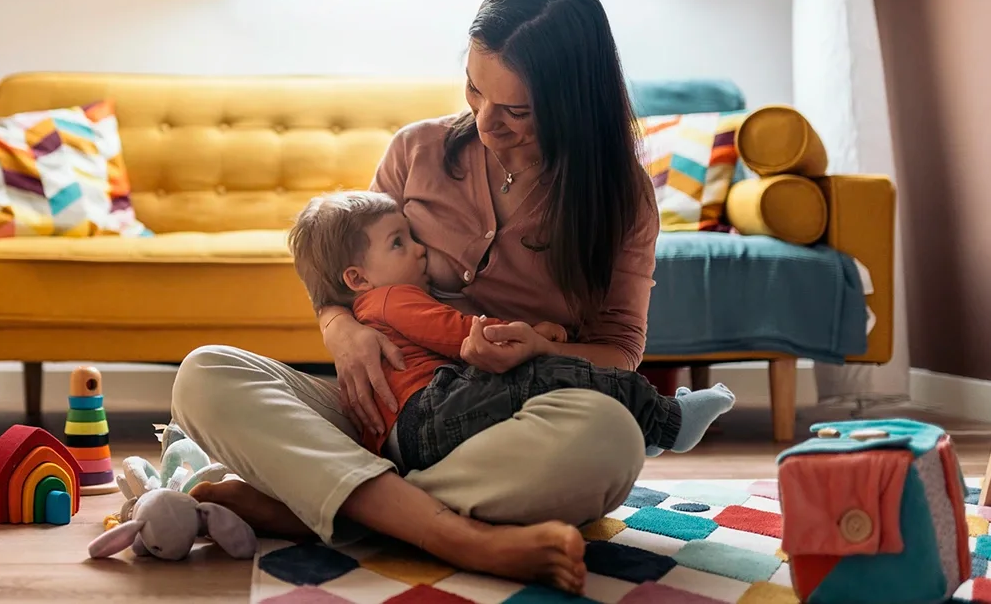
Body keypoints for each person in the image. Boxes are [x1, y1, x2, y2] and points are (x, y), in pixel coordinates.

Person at [172, 0, 660, 593]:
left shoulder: (621, 198)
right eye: (475, 90)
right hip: (378, 412)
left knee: (611, 440)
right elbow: (342, 276)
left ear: (574, 103)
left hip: (507, 427)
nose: (486, 122)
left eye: (517, 111)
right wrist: (341, 330)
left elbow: (620, 351)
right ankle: (456, 534)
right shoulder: (416, 150)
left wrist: (542, 350)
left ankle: (336, 503)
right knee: (206, 375)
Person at [286, 189, 736, 472]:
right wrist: (530, 333)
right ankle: (669, 420)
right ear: (357, 278)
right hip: (428, 414)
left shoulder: (371, 308)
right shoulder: (391, 299)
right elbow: (459, 334)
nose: (421, 250)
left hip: (399, 443)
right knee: (546, 375)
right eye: (399, 243)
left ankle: (643, 428)